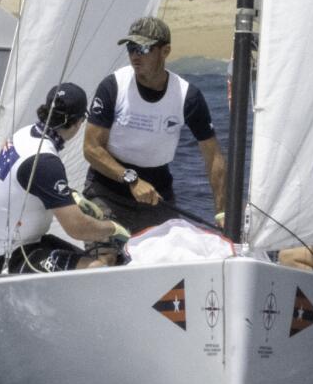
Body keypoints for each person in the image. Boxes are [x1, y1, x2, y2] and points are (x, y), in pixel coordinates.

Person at [83, 16, 227, 233]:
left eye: (142, 48)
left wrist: (221, 211)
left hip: (157, 193)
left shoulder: (188, 96)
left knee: (166, 259)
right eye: (131, 48)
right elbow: (91, 148)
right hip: (107, 188)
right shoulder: (113, 87)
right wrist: (131, 180)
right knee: (108, 258)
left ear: (165, 51)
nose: (135, 56)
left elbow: (213, 155)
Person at [0, 83, 130, 276]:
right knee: (101, 269)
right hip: (10, 255)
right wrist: (113, 229)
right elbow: (77, 229)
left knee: (93, 260)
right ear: (79, 122)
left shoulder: (23, 134)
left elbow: (27, 182)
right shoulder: (44, 161)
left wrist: (73, 197)